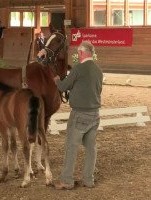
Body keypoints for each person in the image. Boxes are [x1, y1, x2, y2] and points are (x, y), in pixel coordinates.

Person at [53, 41, 103, 190]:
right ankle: (88, 180)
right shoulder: (98, 70)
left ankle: (67, 181)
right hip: (95, 114)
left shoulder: (79, 68)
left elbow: (63, 86)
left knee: (71, 147)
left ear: (81, 53)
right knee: (91, 148)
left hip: (80, 114)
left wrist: (56, 80)